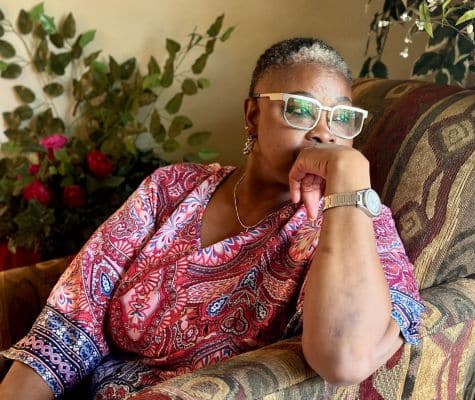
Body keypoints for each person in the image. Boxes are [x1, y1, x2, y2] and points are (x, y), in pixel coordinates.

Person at [0, 37, 423, 399]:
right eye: (300, 110)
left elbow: (345, 358)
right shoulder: (172, 188)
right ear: (253, 116)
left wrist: (349, 173)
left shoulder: (354, 221)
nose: (324, 133)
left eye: (343, 119)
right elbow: (73, 320)